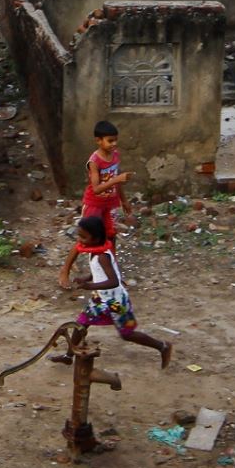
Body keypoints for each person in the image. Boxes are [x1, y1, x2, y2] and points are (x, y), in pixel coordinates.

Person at [58, 214, 171, 367]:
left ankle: (162, 346)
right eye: (79, 236)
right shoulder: (96, 250)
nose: (80, 240)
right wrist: (87, 278)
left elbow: (113, 281)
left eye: (83, 237)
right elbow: (100, 272)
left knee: (127, 334)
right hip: (100, 298)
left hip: (115, 301)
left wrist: (90, 286)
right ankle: (69, 355)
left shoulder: (102, 256)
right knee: (81, 324)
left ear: (96, 238)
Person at [82, 121, 128, 240]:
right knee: (92, 236)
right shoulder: (94, 162)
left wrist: (124, 201)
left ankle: (110, 253)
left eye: (116, 140)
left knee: (111, 234)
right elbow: (96, 189)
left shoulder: (115, 155)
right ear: (98, 140)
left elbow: (118, 181)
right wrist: (116, 179)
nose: (114, 143)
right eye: (110, 141)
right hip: (95, 204)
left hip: (110, 203)